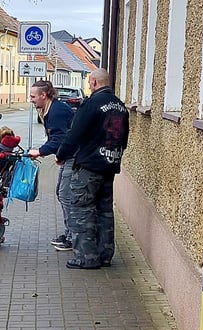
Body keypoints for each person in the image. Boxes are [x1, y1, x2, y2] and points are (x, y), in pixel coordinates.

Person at [54, 68, 129, 269]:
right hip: (110, 166)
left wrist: (61, 155)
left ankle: (86, 257)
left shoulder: (92, 104)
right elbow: (124, 140)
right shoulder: (120, 106)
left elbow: (74, 134)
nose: (89, 86)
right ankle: (105, 254)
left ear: (95, 82)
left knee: (81, 210)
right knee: (105, 211)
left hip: (88, 167)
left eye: (90, 83)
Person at [26, 79, 75, 251]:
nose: (31, 100)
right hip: (68, 156)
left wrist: (39, 151)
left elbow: (59, 139)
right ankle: (69, 233)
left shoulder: (56, 111)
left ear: (43, 95)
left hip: (76, 157)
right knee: (61, 193)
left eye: (33, 96)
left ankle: (72, 237)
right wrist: (59, 154)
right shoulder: (49, 109)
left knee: (66, 195)